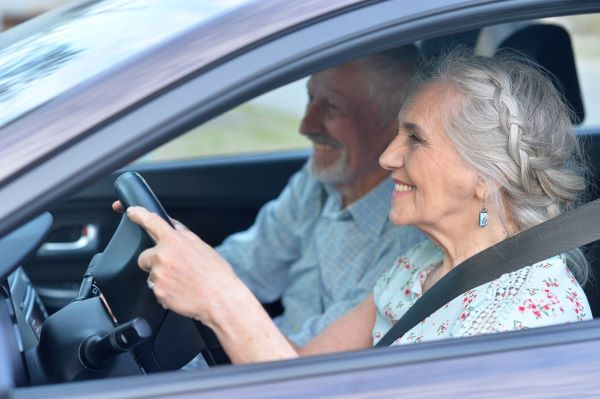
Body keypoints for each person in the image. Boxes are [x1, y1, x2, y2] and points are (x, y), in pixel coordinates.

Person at [125, 50, 591, 364]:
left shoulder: (524, 324)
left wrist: (220, 298)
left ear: (484, 177)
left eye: (415, 138)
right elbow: (304, 374)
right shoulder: (422, 264)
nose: (389, 158)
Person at [115, 45, 425, 346]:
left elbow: (308, 368)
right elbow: (251, 264)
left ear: (393, 127)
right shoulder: (318, 180)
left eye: (331, 107)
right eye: (311, 98)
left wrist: (214, 297)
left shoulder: (412, 236)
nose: (306, 125)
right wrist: (169, 260)